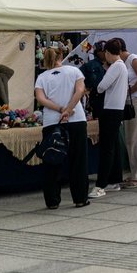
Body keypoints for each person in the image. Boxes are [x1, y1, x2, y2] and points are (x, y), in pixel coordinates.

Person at [35, 47, 89, 209]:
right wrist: (69, 109)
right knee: (78, 160)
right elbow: (80, 90)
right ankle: (80, 198)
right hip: (76, 118)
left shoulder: (42, 77)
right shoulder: (74, 71)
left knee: (52, 160)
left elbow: (41, 99)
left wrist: (60, 110)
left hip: (52, 121)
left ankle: (52, 201)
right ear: (62, 56)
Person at [88, 39, 128, 199]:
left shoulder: (116, 66)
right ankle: (114, 180)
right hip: (117, 109)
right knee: (114, 146)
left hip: (110, 110)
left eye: (105, 53)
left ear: (109, 53)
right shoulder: (122, 66)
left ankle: (100, 185)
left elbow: (101, 86)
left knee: (107, 147)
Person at [117, 38, 137, 188]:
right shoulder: (123, 63)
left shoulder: (134, 60)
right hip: (130, 101)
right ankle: (135, 173)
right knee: (130, 138)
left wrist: (128, 92)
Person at [80, 41, 107, 119]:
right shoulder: (89, 65)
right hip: (95, 98)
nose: (106, 53)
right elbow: (78, 77)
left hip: (108, 98)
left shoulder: (113, 65)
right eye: (104, 51)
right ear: (98, 52)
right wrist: (85, 89)